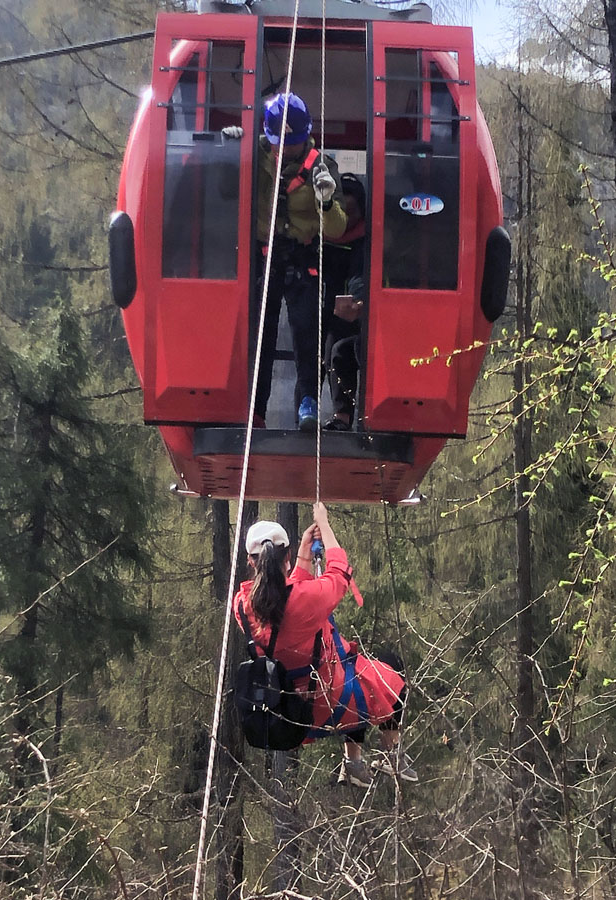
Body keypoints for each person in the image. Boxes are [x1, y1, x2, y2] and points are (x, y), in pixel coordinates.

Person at [233, 502, 417, 786]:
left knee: (353, 663)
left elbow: (285, 598)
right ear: (286, 556)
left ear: (251, 561)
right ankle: (390, 754)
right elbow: (339, 574)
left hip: (286, 708)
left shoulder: (242, 605)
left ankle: (354, 765)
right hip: (328, 699)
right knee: (387, 671)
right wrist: (325, 525)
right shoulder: (306, 599)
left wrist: (304, 558)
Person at [223, 92, 347, 430]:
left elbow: (337, 228)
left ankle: (307, 402)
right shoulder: (254, 156)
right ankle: (256, 410)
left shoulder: (322, 167)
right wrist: (229, 154)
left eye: (292, 144)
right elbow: (225, 192)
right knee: (260, 334)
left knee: (307, 333)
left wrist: (325, 202)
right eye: (280, 142)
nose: (285, 150)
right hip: (264, 256)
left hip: (302, 257)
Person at [322, 173, 366, 432]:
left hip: (361, 314)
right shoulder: (321, 236)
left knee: (339, 350)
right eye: (343, 212)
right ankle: (306, 412)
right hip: (327, 310)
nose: (348, 219)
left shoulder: (368, 240)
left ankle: (345, 416)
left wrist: (360, 302)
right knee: (320, 353)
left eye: (352, 211)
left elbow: (362, 274)